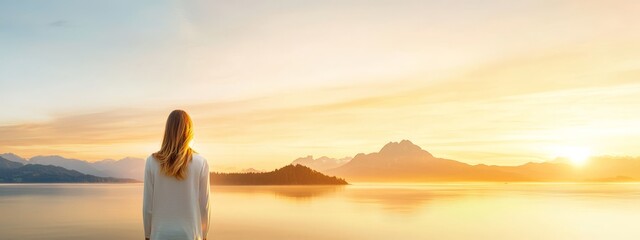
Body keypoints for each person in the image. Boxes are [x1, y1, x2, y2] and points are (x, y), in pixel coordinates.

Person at [143, 110, 210, 240]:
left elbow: (147, 207)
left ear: (167, 131)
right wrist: (204, 235)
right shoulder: (201, 162)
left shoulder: (151, 162)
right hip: (191, 236)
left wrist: (147, 235)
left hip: (159, 236)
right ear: (189, 131)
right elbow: (204, 206)